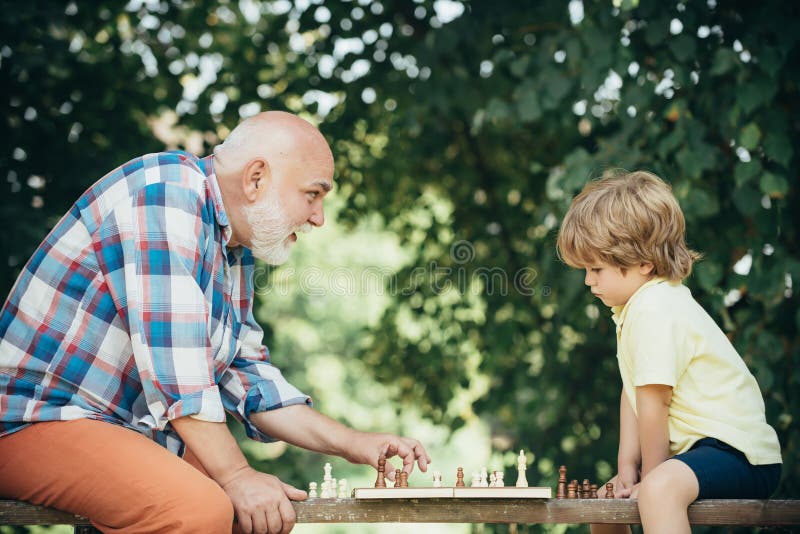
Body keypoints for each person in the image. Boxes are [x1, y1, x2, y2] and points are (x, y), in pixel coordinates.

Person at [0, 111, 430, 534]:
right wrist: (238, 476)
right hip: (31, 419)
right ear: (256, 178)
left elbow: (247, 377)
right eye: (313, 194)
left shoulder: (231, 248)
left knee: (252, 516)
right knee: (196, 511)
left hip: (110, 427)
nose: (319, 217)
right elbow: (180, 377)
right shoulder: (165, 195)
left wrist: (353, 443)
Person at [556, 171, 782, 534]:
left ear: (643, 263)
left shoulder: (655, 308)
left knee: (658, 491)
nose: (588, 281)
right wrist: (627, 467)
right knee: (604, 503)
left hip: (739, 454)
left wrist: (652, 475)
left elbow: (655, 402)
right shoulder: (633, 310)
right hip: (699, 453)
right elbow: (634, 391)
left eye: (596, 269)